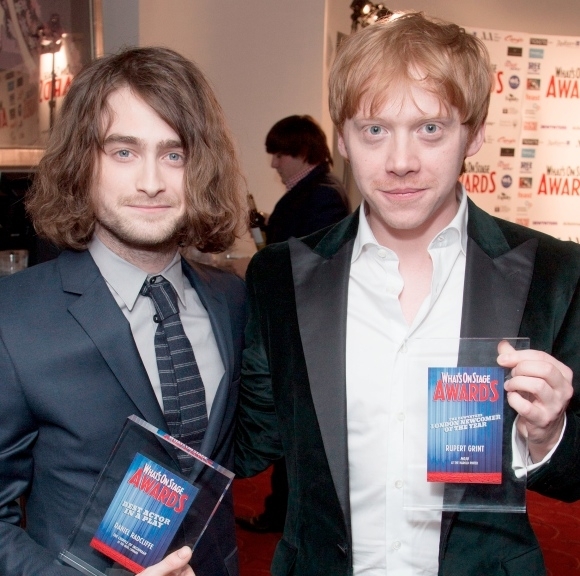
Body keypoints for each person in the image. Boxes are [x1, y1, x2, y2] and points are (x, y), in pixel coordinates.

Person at [235, 11, 580, 576]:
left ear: (474, 133)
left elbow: (573, 474)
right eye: (374, 130)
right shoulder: (279, 277)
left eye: (430, 129)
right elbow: (249, 443)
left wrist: (548, 434)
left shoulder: (554, 273)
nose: (400, 162)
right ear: (342, 138)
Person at [0, 47, 247, 576]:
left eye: (174, 154)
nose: (152, 182)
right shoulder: (14, 319)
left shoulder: (231, 302)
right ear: (82, 162)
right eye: (124, 152)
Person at [236, 114, 349, 534]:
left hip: (305, 332)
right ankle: (282, 513)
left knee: (292, 429)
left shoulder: (321, 196)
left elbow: (313, 269)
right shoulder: (315, 192)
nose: (273, 164)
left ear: (300, 151)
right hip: (303, 329)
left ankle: (284, 515)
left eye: (278, 153)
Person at [264, 114, 350, 245]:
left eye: (280, 156)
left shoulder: (324, 196)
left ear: (303, 152)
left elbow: (314, 258)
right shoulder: (316, 189)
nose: (273, 164)